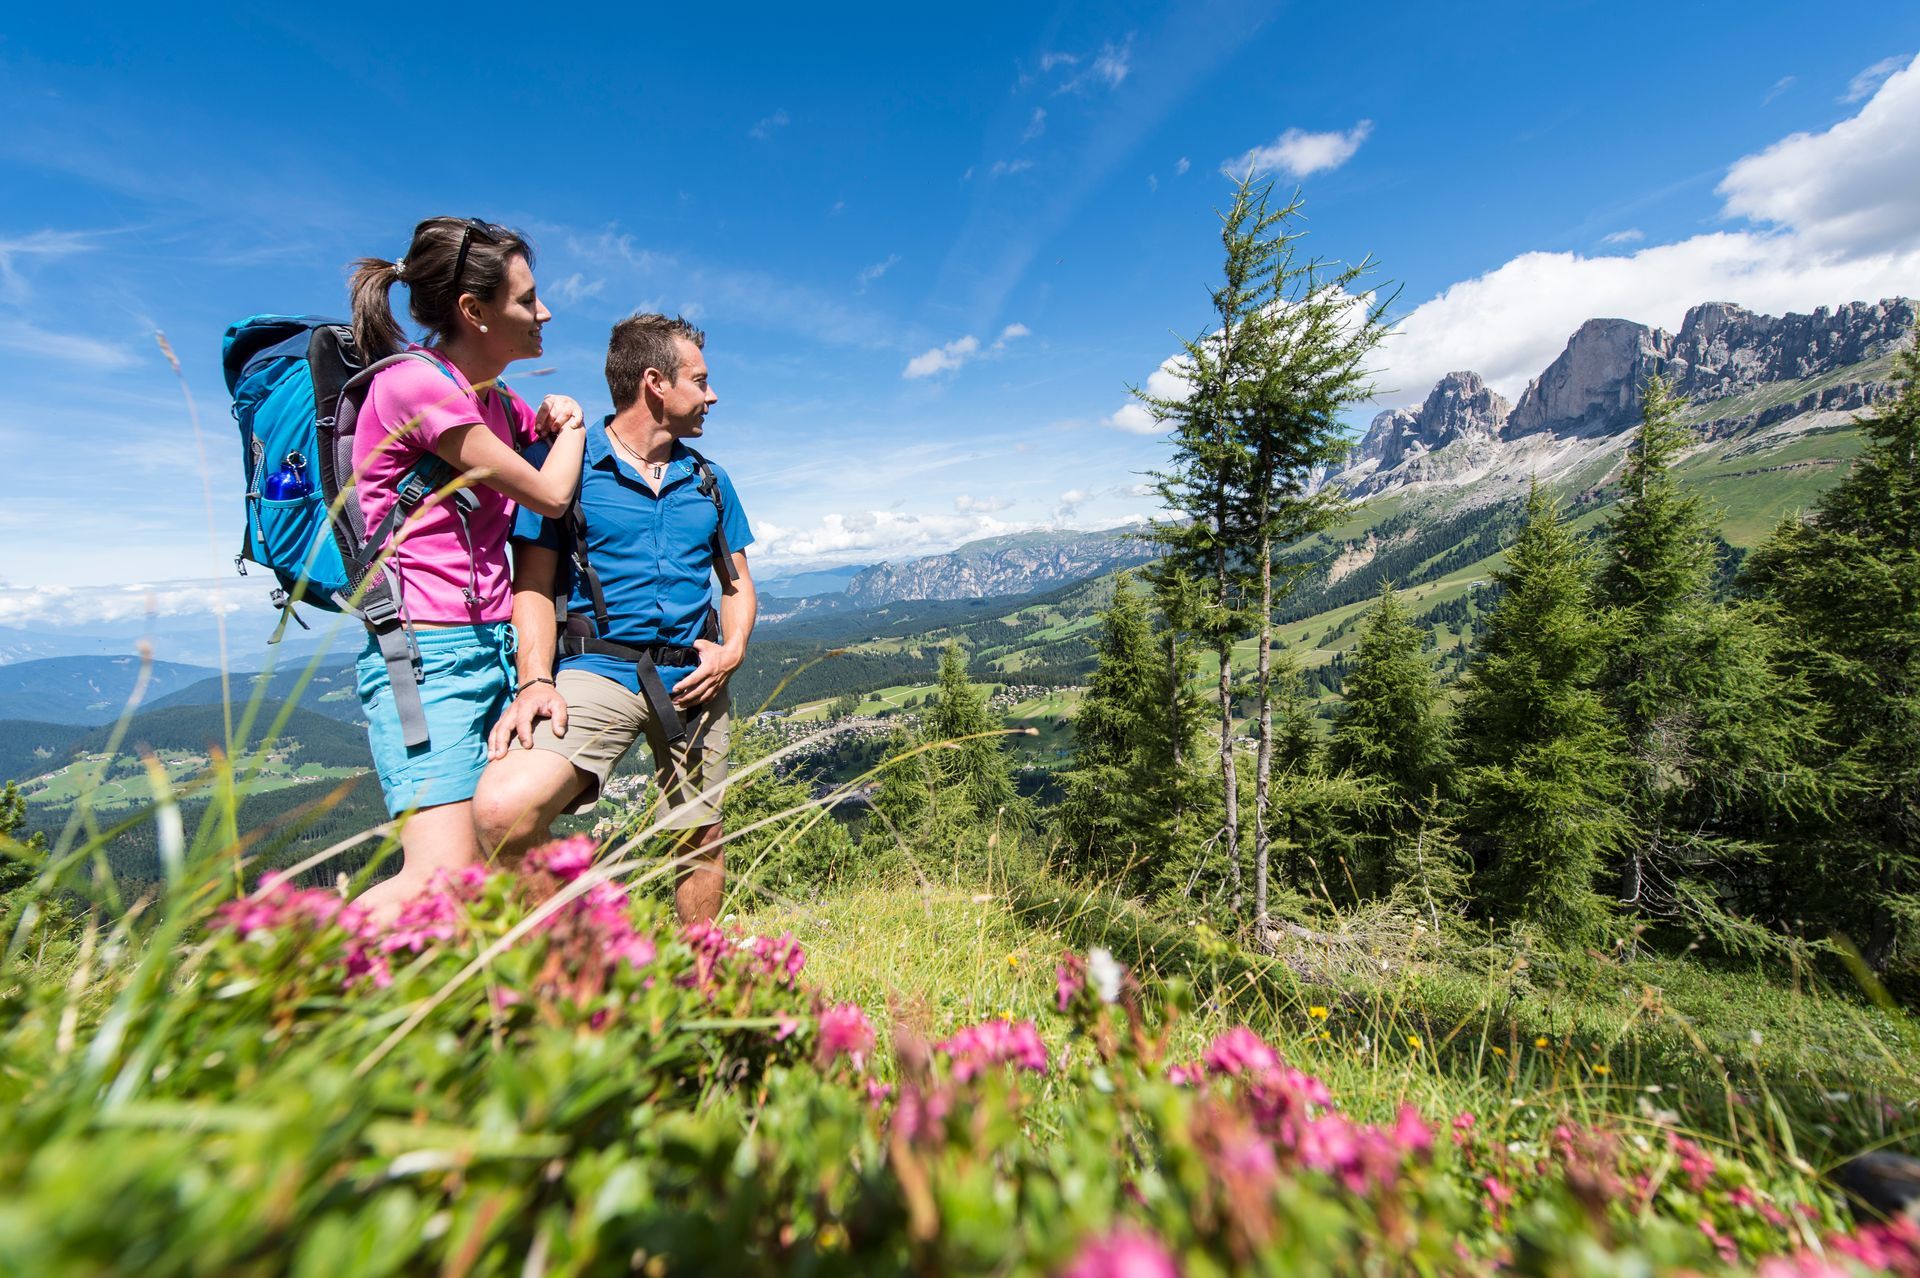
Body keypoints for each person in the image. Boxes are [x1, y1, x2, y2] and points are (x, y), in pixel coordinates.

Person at [472, 313, 756, 925]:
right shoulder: (565, 465)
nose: (712, 396)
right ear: (656, 382)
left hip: (693, 671)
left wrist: (731, 649)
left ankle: (700, 982)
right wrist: (536, 681)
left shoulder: (708, 478)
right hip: (597, 668)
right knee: (503, 811)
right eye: (700, 381)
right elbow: (532, 586)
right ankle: (557, 976)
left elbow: (737, 585)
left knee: (700, 833)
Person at [345, 217, 589, 922]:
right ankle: (276, 967)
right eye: (527, 300)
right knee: (439, 885)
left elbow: (519, 444)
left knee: (494, 857)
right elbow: (546, 492)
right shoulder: (411, 386)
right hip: (427, 655)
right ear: (474, 311)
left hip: (494, 645)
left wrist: (547, 414)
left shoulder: (491, 402)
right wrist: (573, 429)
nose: (544, 314)